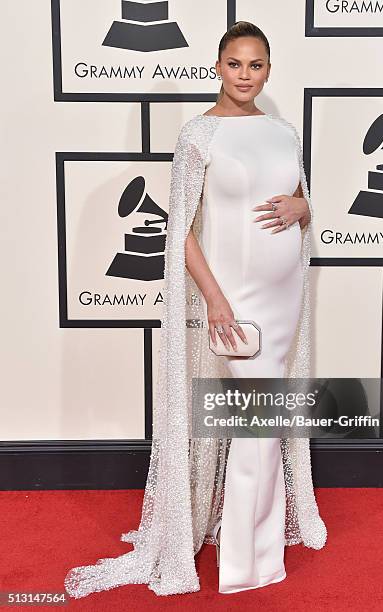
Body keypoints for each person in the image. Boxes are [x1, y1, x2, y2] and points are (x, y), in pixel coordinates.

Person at [64, 21, 327, 599]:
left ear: (268, 70)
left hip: (283, 299)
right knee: (258, 427)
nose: (245, 76)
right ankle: (246, 562)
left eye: (256, 66)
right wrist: (213, 299)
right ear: (217, 67)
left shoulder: (284, 133)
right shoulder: (198, 135)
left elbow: (301, 204)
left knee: (264, 423)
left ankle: (256, 547)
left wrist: (302, 206)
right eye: (235, 64)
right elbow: (179, 231)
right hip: (234, 301)